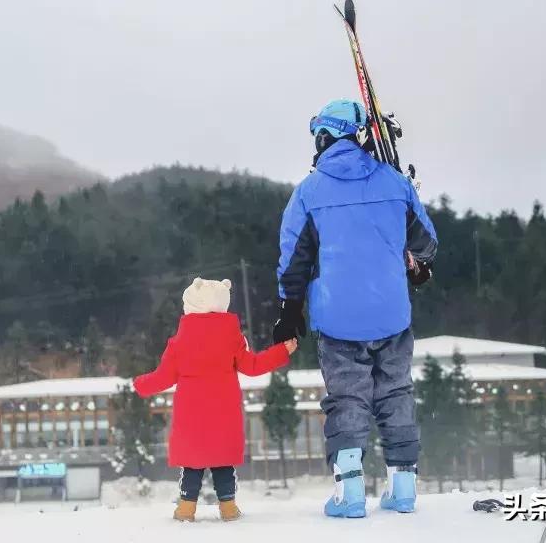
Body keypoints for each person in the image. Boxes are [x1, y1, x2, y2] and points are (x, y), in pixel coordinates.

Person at [272, 99, 438, 518]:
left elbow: (294, 259)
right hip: (392, 316)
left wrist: (291, 311)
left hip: (338, 320)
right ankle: (403, 486)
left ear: (324, 138)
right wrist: (409, 254)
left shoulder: (308, 193)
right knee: (396, 392)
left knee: (347, 398)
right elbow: (426, 245)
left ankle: (350, 495)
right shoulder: (394, 182)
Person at [133, 277, 296, 522]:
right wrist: (281, 351)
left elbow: (163, 377)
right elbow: (252, 366)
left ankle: (186, 508)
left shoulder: (179, 342)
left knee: (192, 464)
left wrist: (139, 384)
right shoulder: (233, 337)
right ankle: (228, 507)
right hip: (224, 413)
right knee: (222, 463)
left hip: (191, 416)